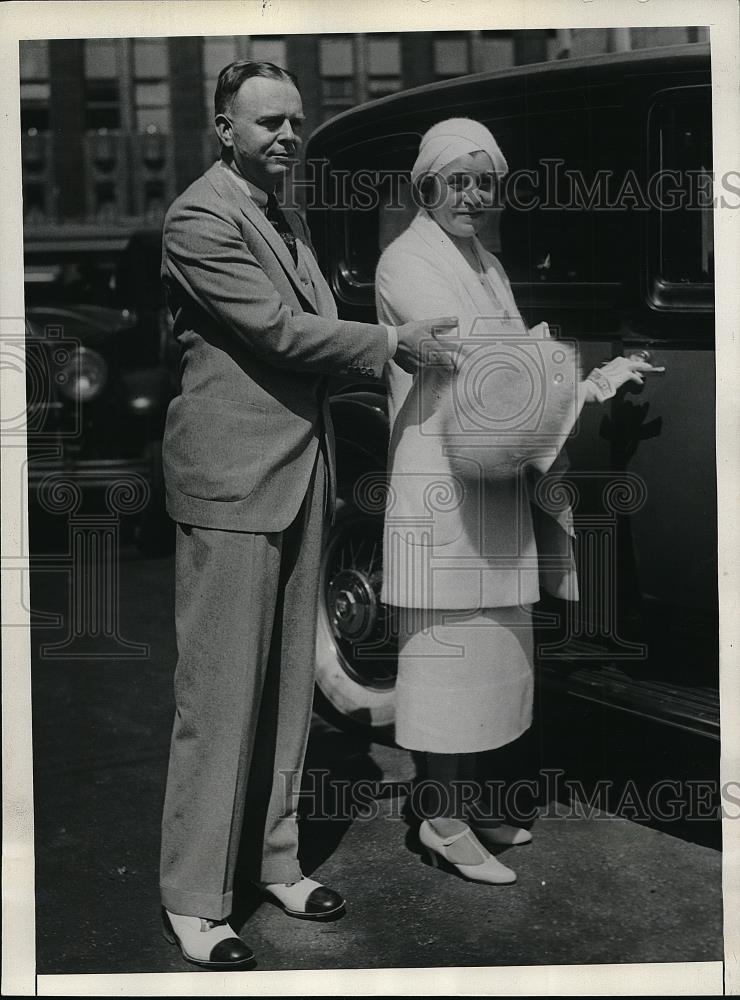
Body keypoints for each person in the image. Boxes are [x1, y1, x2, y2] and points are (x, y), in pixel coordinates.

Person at [158, 62, 459, 969]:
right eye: (266, 124)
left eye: (294, 120)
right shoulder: (200, 216)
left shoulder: (280, 211)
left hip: (300, 471)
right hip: (233, 479)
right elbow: (277, 332)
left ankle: (276, 860)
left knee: (291, 687)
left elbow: (305, 327)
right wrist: (392, 342)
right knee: (218, 700)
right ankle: (196, 899)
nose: (286, 136)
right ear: (223, 129)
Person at [375, 118, 663, 885]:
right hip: (439, 486)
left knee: (496, 650)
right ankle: (438, 817)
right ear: (426, 185)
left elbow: (512, 365)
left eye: (485, 181)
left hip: (494, 481)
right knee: (448, 653)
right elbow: (488, 366)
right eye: (458, 179)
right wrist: (585, 381)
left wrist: (586, 380)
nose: (473, 194)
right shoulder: (405, 260)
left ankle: (469, 804)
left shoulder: (490, 265)